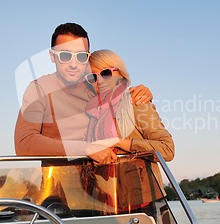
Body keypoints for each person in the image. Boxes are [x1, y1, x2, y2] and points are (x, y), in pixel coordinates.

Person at [14, 23, 152, 164]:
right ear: (52, 56)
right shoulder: (39, 89)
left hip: (104, 180)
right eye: (65, 55)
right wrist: (85, 148)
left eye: (80, 56)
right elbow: (24, 143)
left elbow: (121, 96)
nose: (74, 64)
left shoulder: (95, 84)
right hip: (58, 181)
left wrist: (141, 93)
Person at [84, 49, 174, 212]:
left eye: (106, 73)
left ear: (120, 73)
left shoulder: (136, 102)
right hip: (104, 204)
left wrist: (118, 142)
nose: (99, 81)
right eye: (92, 77)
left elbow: (167, 149)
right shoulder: (92, 113)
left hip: (141, 204)